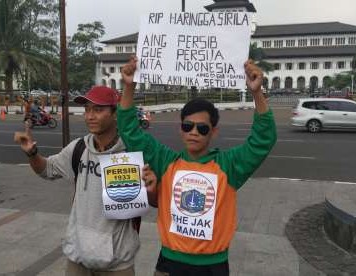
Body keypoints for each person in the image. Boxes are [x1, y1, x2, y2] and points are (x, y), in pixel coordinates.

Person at [118, 56, 277, 275]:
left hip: (213, 266)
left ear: (214, 131)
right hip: (169, 263)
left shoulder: (229, 166)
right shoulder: (166, 161)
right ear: (180, 129)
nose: (193, 132)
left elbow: (263, 139)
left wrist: (257, 93)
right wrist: (128, 87)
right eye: (187, 126)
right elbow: (130, 131)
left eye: (202, 128)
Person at [15, 86, 157, 275]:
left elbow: (154, 200)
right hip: (78, 258)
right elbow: (47, 169)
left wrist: (150, 187)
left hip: (118, 263)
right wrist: (32, 153)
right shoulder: (79, 148)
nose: (90, 116)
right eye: (87, 109)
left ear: (115, 114)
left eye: (98, 110)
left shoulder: (133, 151)